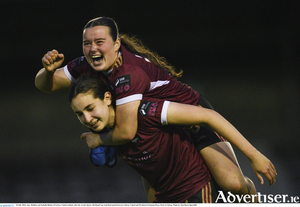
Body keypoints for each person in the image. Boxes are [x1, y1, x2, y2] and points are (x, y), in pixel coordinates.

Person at [35, 17, 276, 197]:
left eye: (100, 42)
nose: (93, 48)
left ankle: (251, 195)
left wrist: (254, 156)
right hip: (154, 121)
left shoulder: (129, 74)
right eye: (87, 43)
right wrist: (47, 71)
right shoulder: (86, 65)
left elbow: (127, 131)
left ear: (117, 44)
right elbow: (45, 85)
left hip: (188, 114)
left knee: (232, 184)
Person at [69, 75, 255, 203]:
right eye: (79, 114)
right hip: (171, 195)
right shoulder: (109, 135)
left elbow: (207, 116)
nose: (86, 119)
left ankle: (249, 191)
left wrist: (255, 156)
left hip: (196, 181)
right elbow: (147, 167)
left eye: (90, 108)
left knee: (233, 183)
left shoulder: (143, 112)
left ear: (107, 98)